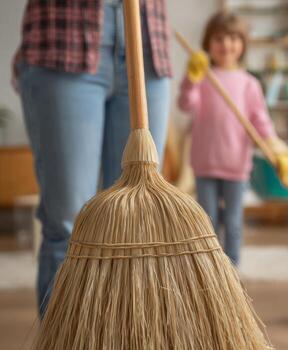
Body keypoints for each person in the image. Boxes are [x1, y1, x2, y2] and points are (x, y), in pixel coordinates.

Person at [13, 0, 171, 317]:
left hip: (147, 43)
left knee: (137, 224)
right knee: (70, 226)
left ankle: (130, 336)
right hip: (62, 39)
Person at [177, 12, 288, 266]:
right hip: (205, 163)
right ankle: (210, 272)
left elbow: (261, 122)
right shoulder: (203, 78)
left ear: (242, 44)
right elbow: (185, 104)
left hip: (236, 166)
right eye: (219, 38)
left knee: (233, 222)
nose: (226, 45)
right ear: (208, 42)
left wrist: (277, 149)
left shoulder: (249, 84)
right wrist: (191, 79)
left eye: (233, 38)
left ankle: (232, 274)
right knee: (206, 223)